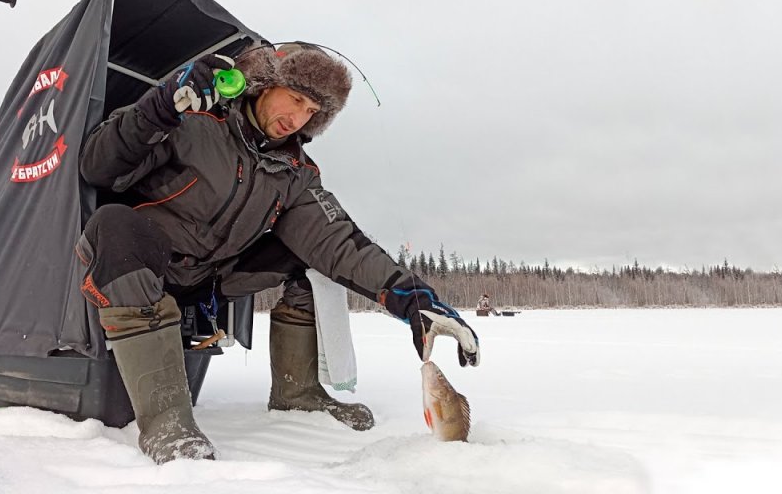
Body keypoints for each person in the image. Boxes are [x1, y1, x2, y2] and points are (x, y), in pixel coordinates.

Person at [75, 42, 480, 464]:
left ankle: (297, 392)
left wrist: (413, 298)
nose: (299, 118)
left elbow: (340, 243)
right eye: (297, 99)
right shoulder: (192, 122)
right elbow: (98, 167)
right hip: (141, 266)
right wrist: (159, 108)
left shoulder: (296, 172)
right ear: (264, 84)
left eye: (312, 112)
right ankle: (168, 426)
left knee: (312, 264)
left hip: (207, 283)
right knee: (114, 223)